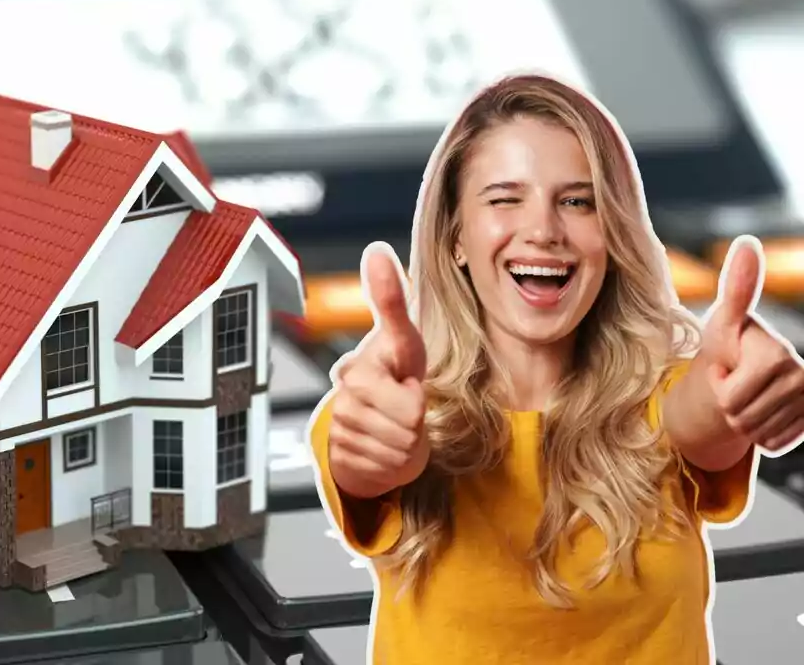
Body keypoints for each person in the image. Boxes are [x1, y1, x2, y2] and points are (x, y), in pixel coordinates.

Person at [309, 73, 804, 664]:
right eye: (504, 199)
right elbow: (368, 464)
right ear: (455, 237)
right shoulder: (379, 405)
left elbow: (699, 420)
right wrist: (376, 450)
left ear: (614, 235)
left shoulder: (665, 395)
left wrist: (736, 395)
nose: (543, 231)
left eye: (577, 201)